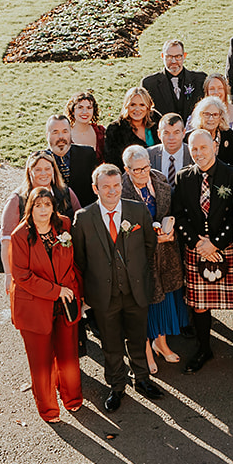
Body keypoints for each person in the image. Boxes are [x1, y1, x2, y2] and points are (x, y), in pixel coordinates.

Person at [72, 164, 163, 411]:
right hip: (103, 294)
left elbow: (149, 245)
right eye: (106, 187)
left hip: (135, 288)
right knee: (111, 343)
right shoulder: (83, 218)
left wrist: (135, 272)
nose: (112, 191)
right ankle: (116, 386)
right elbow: (80, 258)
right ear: (95, 189)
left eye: (116, 186)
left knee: (138, 336)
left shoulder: (137, 210)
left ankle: (142, 379)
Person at [171, 129, 233, 375]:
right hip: (198, 249)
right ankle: (204, 348)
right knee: (199, 305)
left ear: (215, 146)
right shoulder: (184, 177)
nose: (198, 153)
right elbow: (180, 215)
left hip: (228, 247)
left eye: (203, 148)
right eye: (194, 149)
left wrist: (216, 243)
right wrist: (198, 245)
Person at [9, 186, 85, 422]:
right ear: (30, 208)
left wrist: (75, 292)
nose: (43, 210)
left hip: (66, 301)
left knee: (68, 355)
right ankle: (48, 409)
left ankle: (72, 398)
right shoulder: (19, 236)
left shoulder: (63, 225)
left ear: (54, 207)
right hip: (34, 306)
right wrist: (56, 291)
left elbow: (73, 261)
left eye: (47, 205)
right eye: (38, 205)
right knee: (41, 362)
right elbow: (21, 276)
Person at [121, 146, 187, 369]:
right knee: (145, 303)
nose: (142, 173)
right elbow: (121, 231)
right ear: (126, 169)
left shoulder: (159, 179)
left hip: (165, 254)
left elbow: (172, 210)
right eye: (136, 170)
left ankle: (162, 343)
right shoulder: (120, 190)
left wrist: (171, 226)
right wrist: (150, 239)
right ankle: (146, 350)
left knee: (165, 298)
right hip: (139, 258)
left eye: (146, 167)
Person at [0, 152, 82, 286]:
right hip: (32, 271)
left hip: (63, 269)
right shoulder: (17, 199)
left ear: (53, 170)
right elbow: (7, 241)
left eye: (47, 169)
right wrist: (9, 275)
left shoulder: (66, 193)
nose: (43, 173)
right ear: (29, 172)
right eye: (37, 169)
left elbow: (80, 225)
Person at [45, 114, 101, 209]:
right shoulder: (41, 160)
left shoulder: (87, 154)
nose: (61, 137)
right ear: (47, 135)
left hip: (85, 213)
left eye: (65, 131)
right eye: (55, 132)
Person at [143, 39, 206, 123]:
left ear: (184, 56)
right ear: (162, 56)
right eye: (169, 57)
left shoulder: (200, 80)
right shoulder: (149, 84)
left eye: (178, 57)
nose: (173, 61)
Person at [103, 86, 159, 166]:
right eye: (133, 105)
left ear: (148, 107)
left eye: (142, 105)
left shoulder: (156, 120)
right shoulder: (115, 130)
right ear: (126, 106)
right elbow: (112, 162)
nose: (137, 109)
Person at [189, 96, 233, 178]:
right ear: (200, 115)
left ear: (221, 117)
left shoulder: (228, 135)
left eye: (215, 114)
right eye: (207, 114)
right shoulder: (192, 137)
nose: (211, 119)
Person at [151, 113, 193, 183]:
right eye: (166, 133)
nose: (171, 138)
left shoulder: (193, 154)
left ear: (183, 133)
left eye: (176, 133)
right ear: (159, 134)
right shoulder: (149, 155)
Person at [66, 90, 105, 161]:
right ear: (72, 110)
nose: (84, 112)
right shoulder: (65, 134)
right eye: (80, 107)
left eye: (89, 108)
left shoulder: (101, 132)